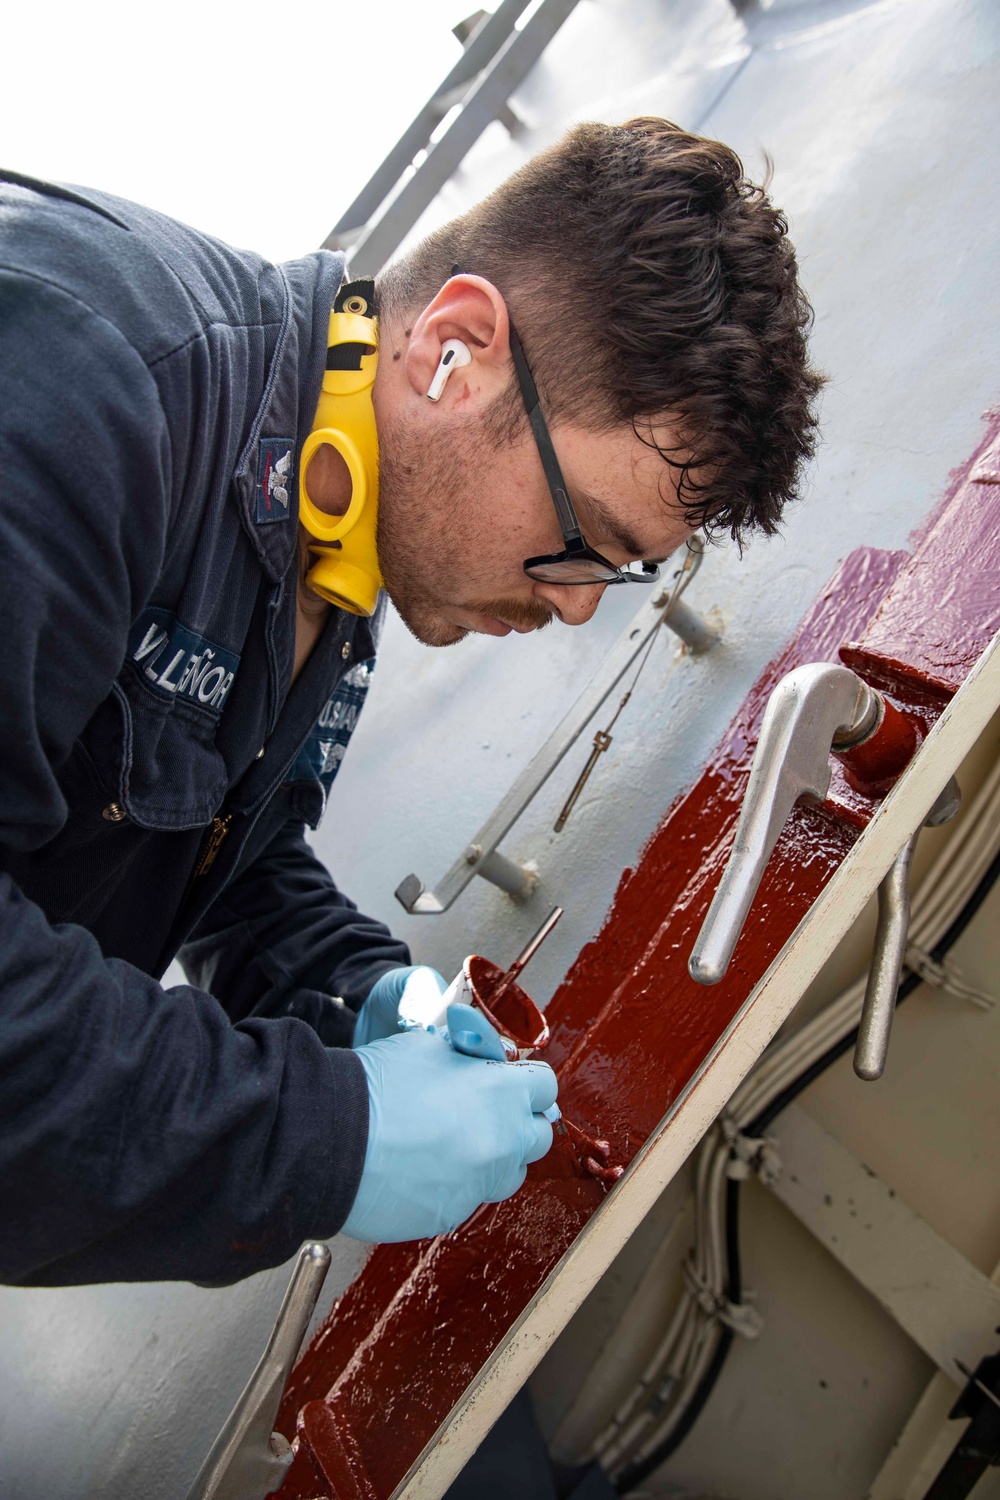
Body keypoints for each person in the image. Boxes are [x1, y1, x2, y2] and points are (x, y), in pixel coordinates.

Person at [0, 117, 822, 1287]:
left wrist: (362, 991)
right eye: (583, 540)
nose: (582, 609)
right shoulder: (89, 373)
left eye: (620, 572)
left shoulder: (335, 561)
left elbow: (218, 858)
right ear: (455, 349)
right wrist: (325, 1134)